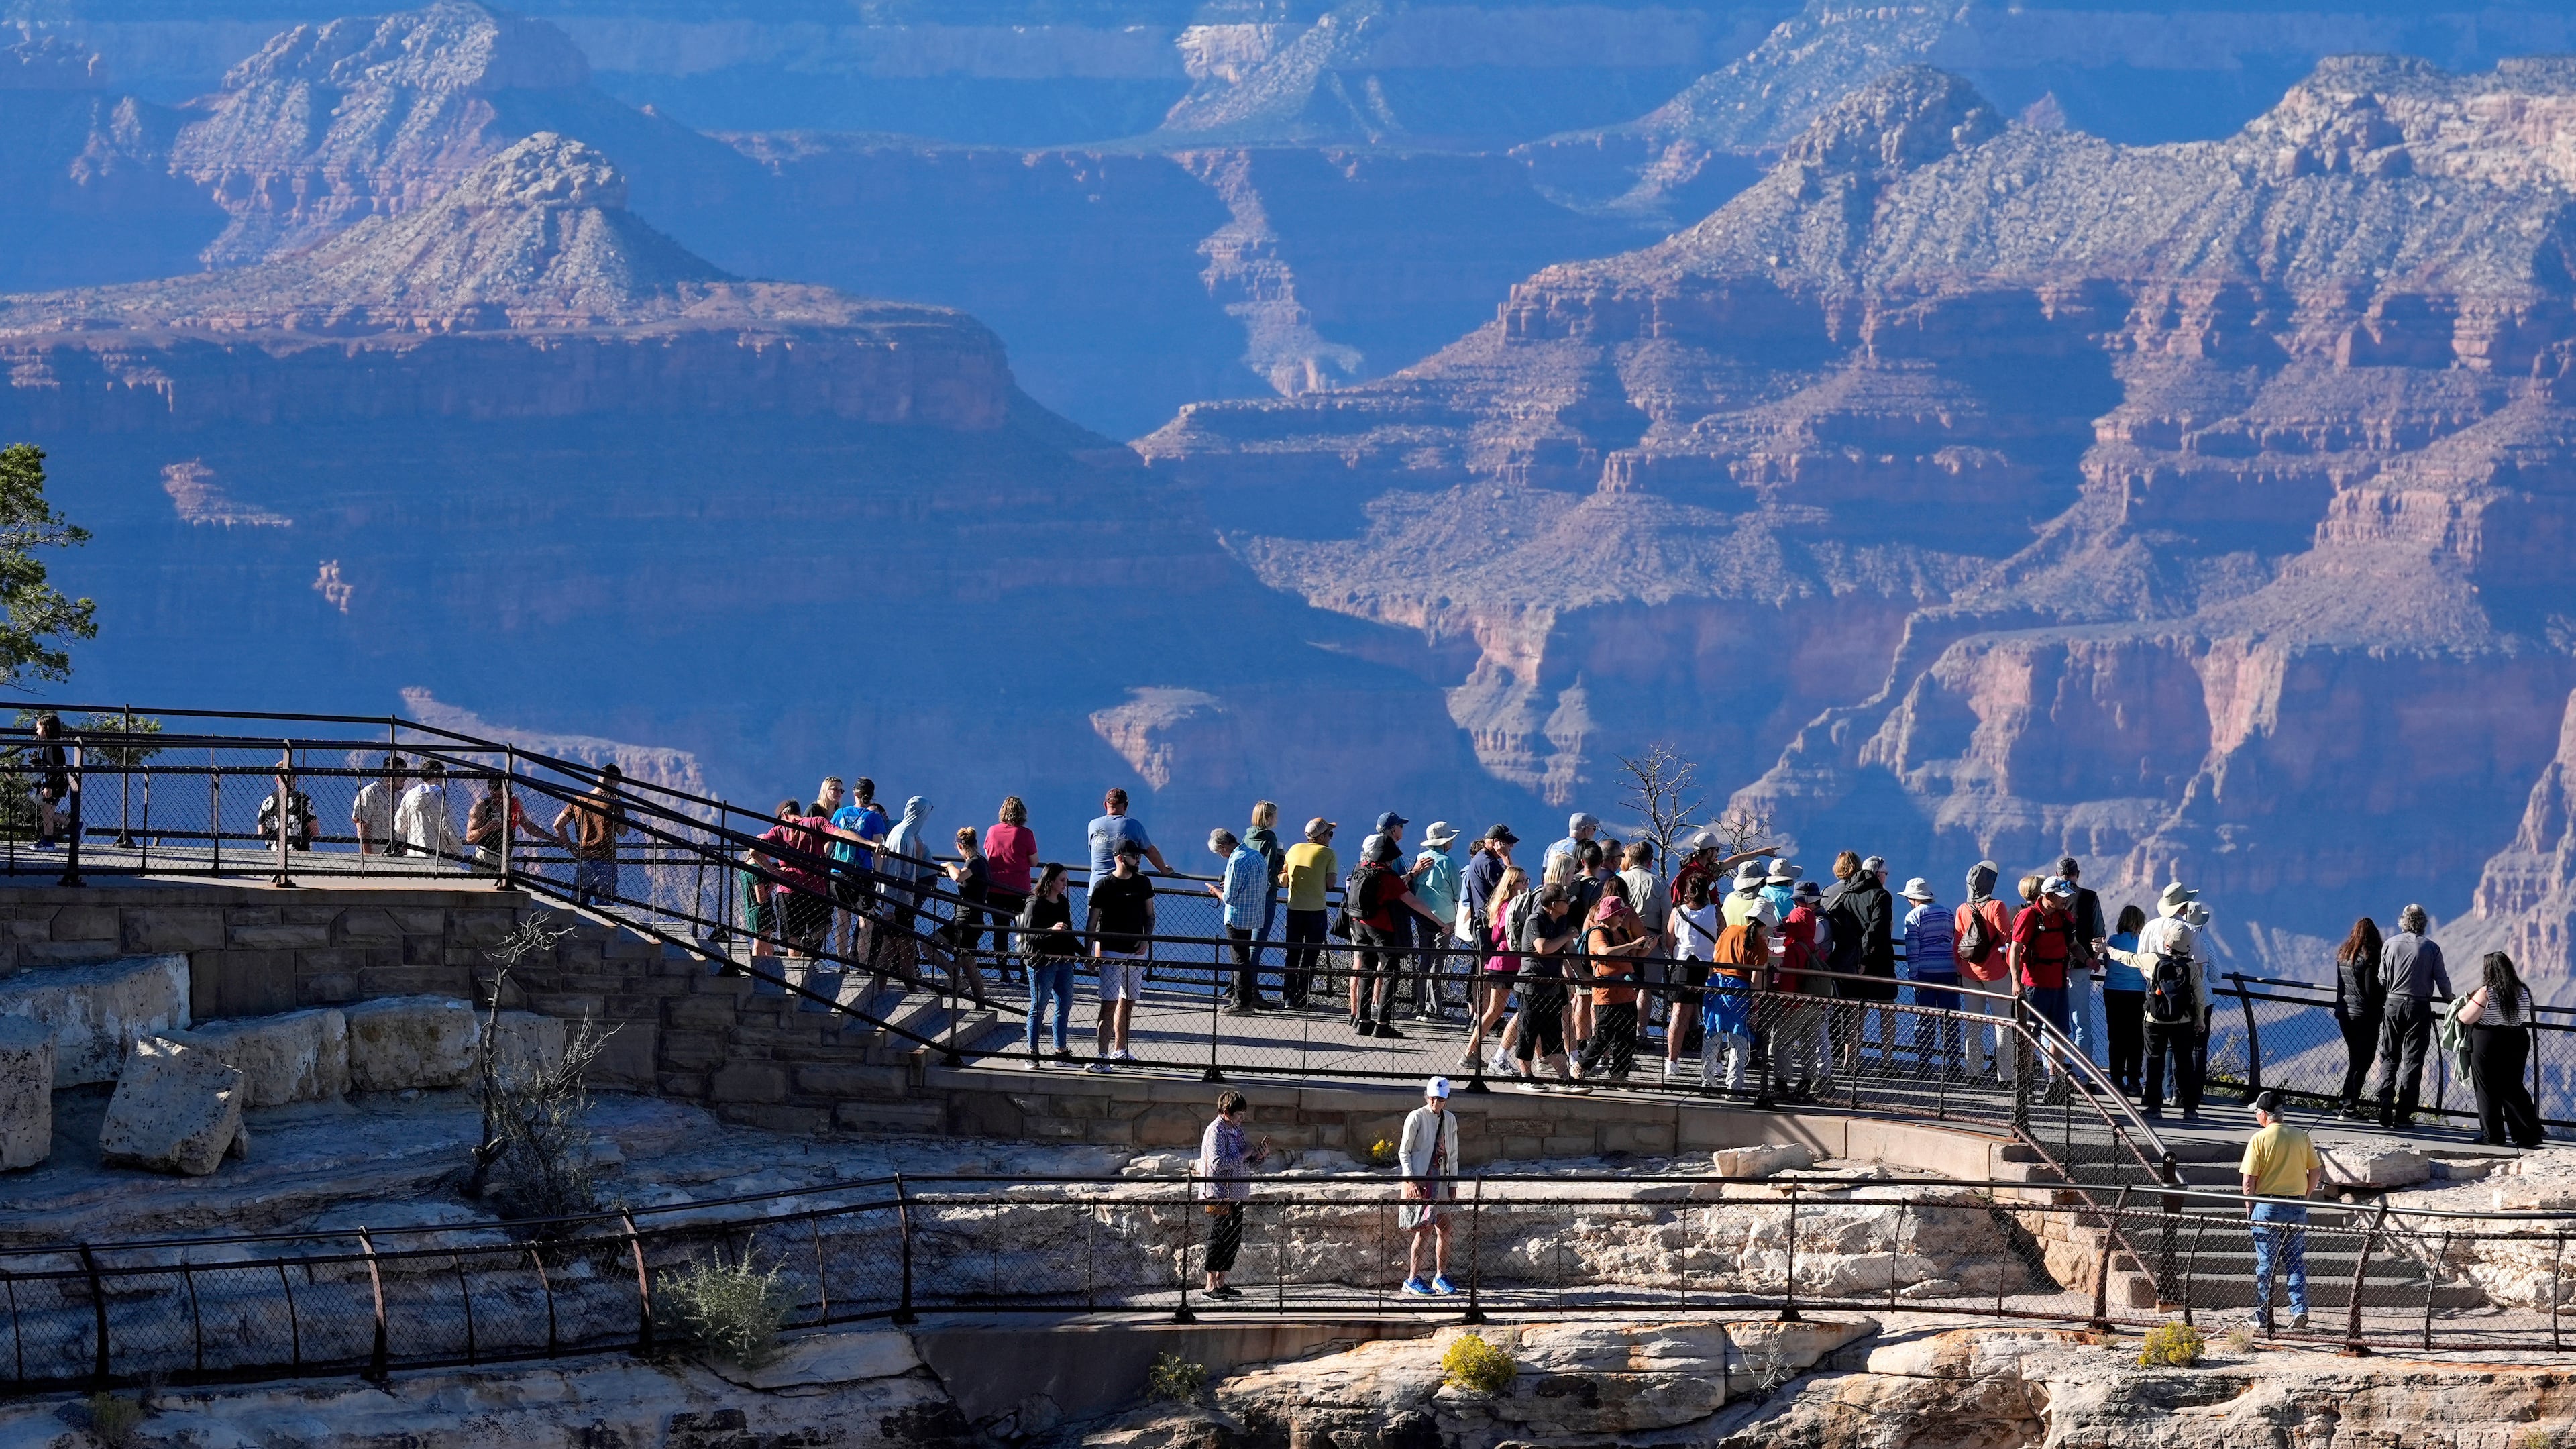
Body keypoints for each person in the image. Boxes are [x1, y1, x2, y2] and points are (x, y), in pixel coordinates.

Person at [2104, 882, 2208, 1121]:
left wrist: (2107, 950)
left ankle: (2153, 1105)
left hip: (2154, 1013)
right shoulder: (2190, 954)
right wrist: (2199, 1017)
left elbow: (2131, 959)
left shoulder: (2151, 941)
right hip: (2183, 1016)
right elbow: (2199, 987)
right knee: (2184, 1062)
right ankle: (2190, 1108)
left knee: (2153, 1059)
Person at [2239, 1089, 2322, 1335]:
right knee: (2295, 1260)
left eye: (2256, 1112)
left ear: (2264, 1115)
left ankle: (2263, 1312)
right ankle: (2299, 1309)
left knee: (2266, 1262)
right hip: (2296, 1206)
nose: (2256, 1116)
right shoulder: (2301, 1136)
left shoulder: (2259, 1139)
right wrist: (2304, 1197)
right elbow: (2315, 1172)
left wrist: (2250, 1206)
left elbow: (2248, 1180)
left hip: (2267, 1206)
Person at [1348, 835, 1447, 1039]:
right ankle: (1382, 1024)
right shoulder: (1388, 877)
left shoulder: (1362, 867)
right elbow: (1414, 903)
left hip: (1360, 925)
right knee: (1391, 974)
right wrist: (1439, 923)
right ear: (1390, 858)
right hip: (1381, 929)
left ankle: (1363, 1021)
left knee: (1367, 971)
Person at [2371, 903, 2451, 1129]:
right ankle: (2404, 1114)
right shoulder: (2432, 948)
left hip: (2393, 1004)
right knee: (2414, 1059)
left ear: (2403, 922)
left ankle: (2385, 1096)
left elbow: (2382, 980)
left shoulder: (2389, 944)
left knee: (2389, 1054)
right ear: (2424, 924)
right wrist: (2449, 999)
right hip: (2419, 1006)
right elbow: (2441, 978)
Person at [2459, 950, 2544, 1149]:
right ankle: (2529, 1133)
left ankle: (2493, 1135)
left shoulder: (2486, 992)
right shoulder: (2522, 990)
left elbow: (2465, 1017)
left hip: (2488, 1041)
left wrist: (2463, 1007)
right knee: (2514, 1087)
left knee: (2487, 1088)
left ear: (2489, 970)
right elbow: (2524, 1013)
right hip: (2518, 1039)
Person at [1085, 839, 1156, 1069]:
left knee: (1129, 1002)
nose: (1138, 859)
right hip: (1110, 951)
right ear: (1119, 857)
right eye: (1133, 855)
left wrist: (1145, 939)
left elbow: (1150, 915)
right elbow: (1092, 922)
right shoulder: (1104, 886)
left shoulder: (1144, 883)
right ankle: (1101, 1057)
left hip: (1136, 952)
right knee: (1108, 1004)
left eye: (1138, 855)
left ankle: (1120, 1050)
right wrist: (1090, 951)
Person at [1511, 883, 1586, 1092]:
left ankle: (1565, 1078)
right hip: (1531, 985)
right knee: (1528, 1031)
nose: (1569, 905)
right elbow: (1543, 948)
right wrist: (1567, 936)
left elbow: (1570, 951)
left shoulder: (1562, 921)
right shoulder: (1536, 920)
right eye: (1565, 901)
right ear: (1554, 904)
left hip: (1552, 986)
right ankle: (1525, 1076)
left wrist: (1582, 974)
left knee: (1554, 1032)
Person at [1197, 1090, 1271, 1298]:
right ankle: (1210, 1285)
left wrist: (1259, 1157)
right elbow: (1218, 1163)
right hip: (1219, 1193)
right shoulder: (1216, 1131)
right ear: (1226, 1112)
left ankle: (1221, 1282)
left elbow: (1246, 1162)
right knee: (1218, 1238)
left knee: (1232, 1239)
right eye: (1239, 1114)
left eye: (1243, 1114)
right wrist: (1243, 1154)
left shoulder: (1237, 1131)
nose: (1242, 1118)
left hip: (1237, 1193)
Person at [1577, 881, 1652, 1083]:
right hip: (1607, 993)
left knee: (1626, 1037)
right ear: (1610, 915)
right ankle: (1581, 1066)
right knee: (1603, 1035)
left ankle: (1619, 1074)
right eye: (1620, 914)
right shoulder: (1598, 933)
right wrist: (1632, 944)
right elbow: (1603, 952)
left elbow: (1636, 955)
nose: (1623, 917)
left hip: (1626, 992)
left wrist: (1647, 947)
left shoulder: (1622, 933)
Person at [1828, 853, 1896, 1067]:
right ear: (1878, 874)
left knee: (1857, 1009)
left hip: (1852, 959)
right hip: (1878, 958)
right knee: (1887, 1008)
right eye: (1885, 873)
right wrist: (1867, 956)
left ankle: (1851, 1060)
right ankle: (1886, 1061)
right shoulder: (1881, 896)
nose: (1886, 877)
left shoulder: (1848, 895)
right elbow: (1879, 929)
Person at [1397, 1077, 1461, 1295]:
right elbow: (1404, 1152)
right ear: (1428, 1097)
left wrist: (1453, 1182)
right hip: (1423, 1180)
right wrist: (1410, 1179)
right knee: (1423, 1231)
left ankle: (1440, 1275)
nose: (1437, 1103)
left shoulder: (1450, 1120)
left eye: (1441, 1099)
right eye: (1434, 1098)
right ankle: (1412, 1278)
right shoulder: (1416, 1117)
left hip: (1440, 1179)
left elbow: (1453, 1154)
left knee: (1445, 1228)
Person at [1954, 861, 2017, 1081]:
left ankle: (1972, 1072)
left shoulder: (1962, 909)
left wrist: (1961, 969)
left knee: (1973, 1024)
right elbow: (2007, 941)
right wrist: (2007, 963)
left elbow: (1958, 943)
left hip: (1970, 973)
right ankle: (2005, 1076)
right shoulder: (1996, 906)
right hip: (1997, 974)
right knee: (2003, 1025)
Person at [750, 798, 835, 961]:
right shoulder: (813, 824)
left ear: (783, 815)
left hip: (788, 888)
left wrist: (773, 870)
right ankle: (810, 942)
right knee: (825, 925)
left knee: (792, 936)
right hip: (815, 886)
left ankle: (795, 972)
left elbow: (754, 850)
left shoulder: (780, 831)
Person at [2012, 877, 2078, 1079]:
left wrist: (2089, 960)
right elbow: (2015, 950)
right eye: (2061, 897)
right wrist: (2016, 981)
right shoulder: (2029, 916)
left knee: (2059, 1035)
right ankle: (2024, 1081)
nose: (2065, 901)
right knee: (2030, 1035)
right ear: (2049, 896)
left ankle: (2054, 1079)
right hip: (2034, 985)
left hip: (2058, 983)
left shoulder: (2064, 918)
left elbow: (2074, 945)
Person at [1018, 863, 1081, 1067]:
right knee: (1039, 1006)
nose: (1065, 884)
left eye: (1066, 880)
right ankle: (1032, 1052)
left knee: (1064, 1004)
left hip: (1063, 961)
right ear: (1050, 880)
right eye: (1062, 880)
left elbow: (1068, 933)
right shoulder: (1035, 903)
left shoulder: (1063, 902)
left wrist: (1084, 954)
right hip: (1041, 962)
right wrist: (1051, 930)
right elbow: (1029, 936)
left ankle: (1060, 1051)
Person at [1470, 863, 1529, 1072]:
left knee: (1502, 1010)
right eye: (1523, 881)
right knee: (1496, 1011)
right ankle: (1470, 1051)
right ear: (1513, 884)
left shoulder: (1502, 904)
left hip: (1505, 962)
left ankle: (1541, 1054)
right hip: (1505, 963)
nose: (1526, 885)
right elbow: (1502, 934)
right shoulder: (1510, 906)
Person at [1899, 878, 1962, 1074]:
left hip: (1926, 971)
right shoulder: (1947, 911)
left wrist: (1914, 977)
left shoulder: (1913, 916)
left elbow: (1913, 949)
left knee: (1925, 1018)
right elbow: (1954, 938)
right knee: (1950, 1017)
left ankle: (1924, 1062)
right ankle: (1953, 1062)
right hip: (1949, 969)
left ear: (1913, 898)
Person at [1208, 827, 1273, 1012]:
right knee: (1245, 958)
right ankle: (1246, 998)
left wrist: (1216, 891)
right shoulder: (1256, 856)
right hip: (1254, 914)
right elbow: (1265, 885)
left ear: (1223, 847)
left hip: (1237, 917)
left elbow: (1229, 897)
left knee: (1239, 960)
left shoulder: (1236, 860)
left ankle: (1241, 1002)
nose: (1221, 856)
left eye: (1219, 852)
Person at [1702, 911, 1767, 1094]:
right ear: (1765, 926)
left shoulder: (1730, 930)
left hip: (1716, 985)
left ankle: (1707, 1082)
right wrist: (1756, 1008)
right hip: (1739, 991)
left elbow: (1714, 956)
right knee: (1739, 1039)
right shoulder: (1760, 945)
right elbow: (1756, 980)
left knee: (1712, 1033)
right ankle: (1734, 1087)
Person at [1666, 874, 1723, 1081]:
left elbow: (1670, 940)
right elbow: (1722, 937)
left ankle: (1672, 1061)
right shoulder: (1715, 911)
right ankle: (1714, 1061)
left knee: (1678, 1015)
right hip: (1708, 966)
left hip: (1683, 964)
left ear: (1687, 892)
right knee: (1710, 1015)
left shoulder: (1677, 912)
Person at [827, 778, 890, 963]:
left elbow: (829, 844)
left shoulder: (840, 814)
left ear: (855, 793)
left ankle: (842, 962)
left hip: (838, 871)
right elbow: (877, 850)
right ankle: (862, 964)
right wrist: (878, 877)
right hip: (862, 873)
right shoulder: (874, 818)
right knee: (866, 921)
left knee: (843, 919)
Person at [1279, 818, 1337, 1010]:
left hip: (1294, 909)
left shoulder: (1294, 849)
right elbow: (1331, 884)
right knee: (1310, 957)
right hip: (1316, 912)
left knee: (1292, 955)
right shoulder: (1328, 853)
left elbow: (1283, 875)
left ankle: (1288, 997)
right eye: (1329, 834)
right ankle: (1303, 998)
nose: (1330, 838)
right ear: (1321, 837)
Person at [1409, 822, 1466, 1020]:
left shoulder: (1420, 859)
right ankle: (1435, 1009)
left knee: (1424, 960)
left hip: (1422, 915)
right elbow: (1458, 892)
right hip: (1445, 918)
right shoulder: (1448, 862)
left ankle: (1421, 1007)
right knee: (1437, 962)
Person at [553, 763, 629, 908]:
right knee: (605, 909)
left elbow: (558, 824)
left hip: (585, 860)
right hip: (606, 860)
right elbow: (623, 831)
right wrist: (619, 806)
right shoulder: (613, 803)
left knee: (578, 907)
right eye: (617, 784)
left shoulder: (579, 799)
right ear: (613, 782)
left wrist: (571, 848)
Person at [2331, 916, 2385, 1120]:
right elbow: (2372, 990)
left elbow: (2342, 986)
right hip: (2365, 1015)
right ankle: (2349, 1107)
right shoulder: (2370, 954)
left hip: (2345, 1014)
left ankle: (2344, 1103)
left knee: (2355, 1059)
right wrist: (2385, 994)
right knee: (2364, 1060)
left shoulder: (2344, 954)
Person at [2058, 857, 2107, 1068]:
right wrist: (2092, 959)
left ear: (2058, 874)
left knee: (2052, 1022)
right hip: (2080, 966)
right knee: (2081, 1024)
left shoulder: (2050, 898)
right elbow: (2099, 933)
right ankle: (2081, 1074)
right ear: (2077, 874)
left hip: (2051, 968)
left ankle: (2052, 1073)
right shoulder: (2089, 897)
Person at [983, 798, 1038, 979]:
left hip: (995, 889)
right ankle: (1024, 972)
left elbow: (988, 853)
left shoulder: (992, 831)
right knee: (1022, 932)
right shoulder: (1026, 834)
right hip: (1019, 892)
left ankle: (1003, 972)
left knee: (1000, 931)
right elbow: (1034, 861)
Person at [937, 826, 994, 1004]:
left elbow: (959, 877)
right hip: (967, 917)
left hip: (967, 919)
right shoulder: (981, 861)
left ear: (960, 847)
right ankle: (976, 997)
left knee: (967, 963)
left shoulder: (975, 862)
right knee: (967, 962)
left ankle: (963, 985)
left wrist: (949, 865)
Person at [2100, 904, 2150, 1097]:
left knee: (2116, 1036)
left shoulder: (2113, 941)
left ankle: (2116, 1078)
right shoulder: (2142, 944)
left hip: (2113, 991)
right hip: (2138, 992)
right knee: (2136, 1037)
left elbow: (2108, 963)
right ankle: (2134, 1080)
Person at [464, 771, 543, 870]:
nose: (497, 799)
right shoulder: (480, 808)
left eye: (501, 796)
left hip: (505, 859)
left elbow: (527, 826)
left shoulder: (514, 804)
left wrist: (553, 838)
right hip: (485, 856)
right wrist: (488, 828)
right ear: (489, 790)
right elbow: (469, 838)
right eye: (494, 796)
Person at [1087, 788, 1171, 881]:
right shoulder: (1133, 826)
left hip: (1096, 888)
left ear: (1105, 805)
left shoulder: (1093, 825)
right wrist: (1164, 870)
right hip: (1123, 889)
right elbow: (1150, 851)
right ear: (1126, 806)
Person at [1244, 800, 1287, 985]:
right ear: (1269, 818)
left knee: (1244, 946)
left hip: (1247, 894)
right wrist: (1281, 859)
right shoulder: (1269, 838)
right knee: (1257, 946)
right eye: (1275, 815)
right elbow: (1270, 870)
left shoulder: (1248, 837)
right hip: (1265, 895)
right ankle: (1251, 990)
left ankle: (1238, 986)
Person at [394, 759, 463, 862]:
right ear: (436, 777)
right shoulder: (442, 799)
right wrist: (457, 850)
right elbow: (450, 829)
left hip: (414, 855)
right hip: (438, 857)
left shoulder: (409, 796)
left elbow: (399, 827)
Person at [25, 712, 70, 851]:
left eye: (38, 728)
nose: (36, 731)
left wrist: (49, 786)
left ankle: (49, 841)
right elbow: (52, 765)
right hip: (56, 784)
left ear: (46, 729)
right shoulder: (51, 746)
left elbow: (56, 768)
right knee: (48, 812)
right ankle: (74, 826)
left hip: (54, 785)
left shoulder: (51, 747)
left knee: (47, 812)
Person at [258, 755, 319, 852]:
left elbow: (261, 831)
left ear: (277, 780)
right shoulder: (302, 799)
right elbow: (315, 831)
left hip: (275, 852)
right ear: (294, 779)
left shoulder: (267, 802)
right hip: (301, 851)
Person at [352, 754, 407, 856]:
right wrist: (368, 854)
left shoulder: (402, 797)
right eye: (401, 773)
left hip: (399, 855)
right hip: (377, 853)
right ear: (389, 774)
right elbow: (361, 824)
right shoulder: (371, 792)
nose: (405, 778)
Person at [1543, 812, 1599, 877]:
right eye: (1594, 828)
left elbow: (1544, 874)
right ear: (1586, 830)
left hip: (1549, 886)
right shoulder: (1584, 851)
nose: (1594, 832)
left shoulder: (1552, 847)